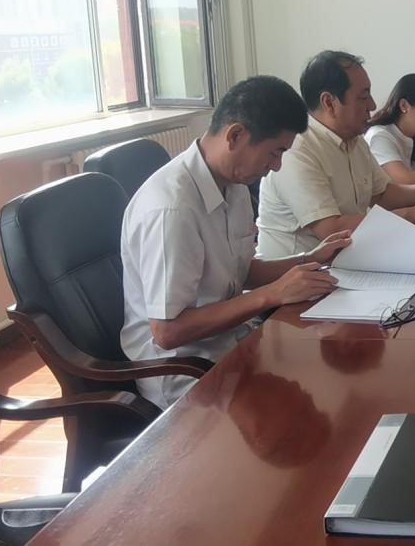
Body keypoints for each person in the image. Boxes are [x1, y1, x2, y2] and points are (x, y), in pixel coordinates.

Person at [120, 76, 352, 408]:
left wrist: (310, 259)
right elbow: (168, 331)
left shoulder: (234, 185)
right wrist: (273, 293)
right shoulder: (172, 209)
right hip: (184, 369)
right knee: (308, 403)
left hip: (229, 342)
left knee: (331, 372)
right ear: (236, 135)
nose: (276, 166)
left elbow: (236, 272)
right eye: (275, 152)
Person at [256, 51, 415, 258]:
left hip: (349, 259)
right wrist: (410, 216)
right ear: (329, 102)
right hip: (297, 279)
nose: (373, 105)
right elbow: (331, 228)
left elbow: (383, 194)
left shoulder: (355, 141)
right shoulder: (296, 149)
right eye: (363, 97)